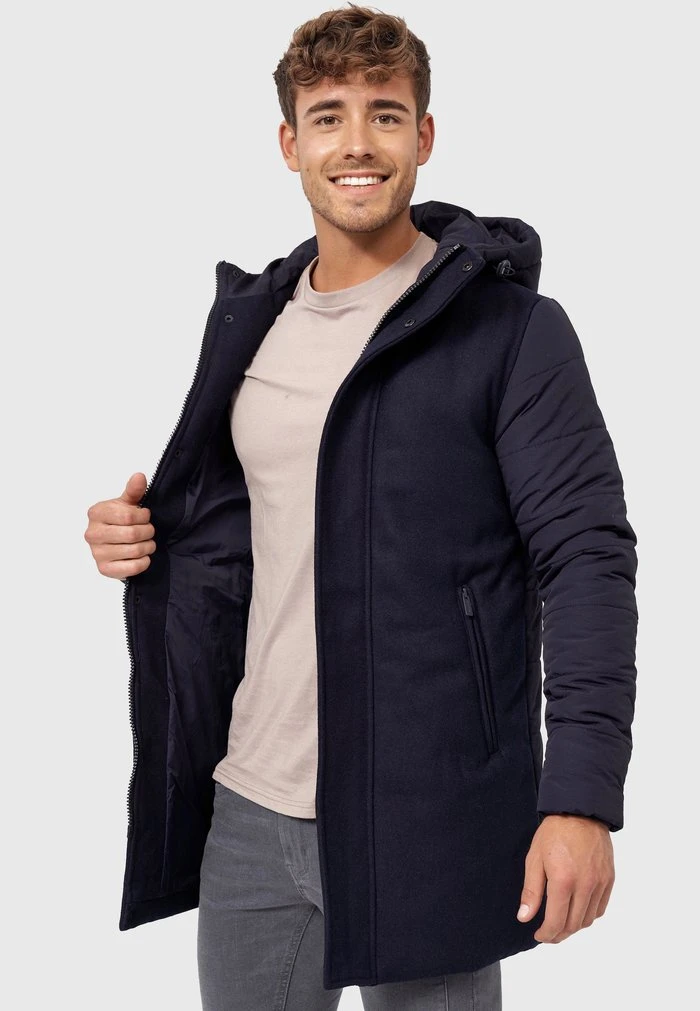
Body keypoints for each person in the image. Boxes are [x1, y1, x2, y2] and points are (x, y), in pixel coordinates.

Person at [84, 5, 638, 1009]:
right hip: (250, 812)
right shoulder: (251, 324)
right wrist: (140, 539)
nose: (356, 143)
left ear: (423, 137)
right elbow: (252, 535)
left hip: (427, 814)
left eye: (384, 114)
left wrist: (582, 798)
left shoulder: (511, 333)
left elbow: (586, 558)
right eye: (327, 116)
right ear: (289, 143)